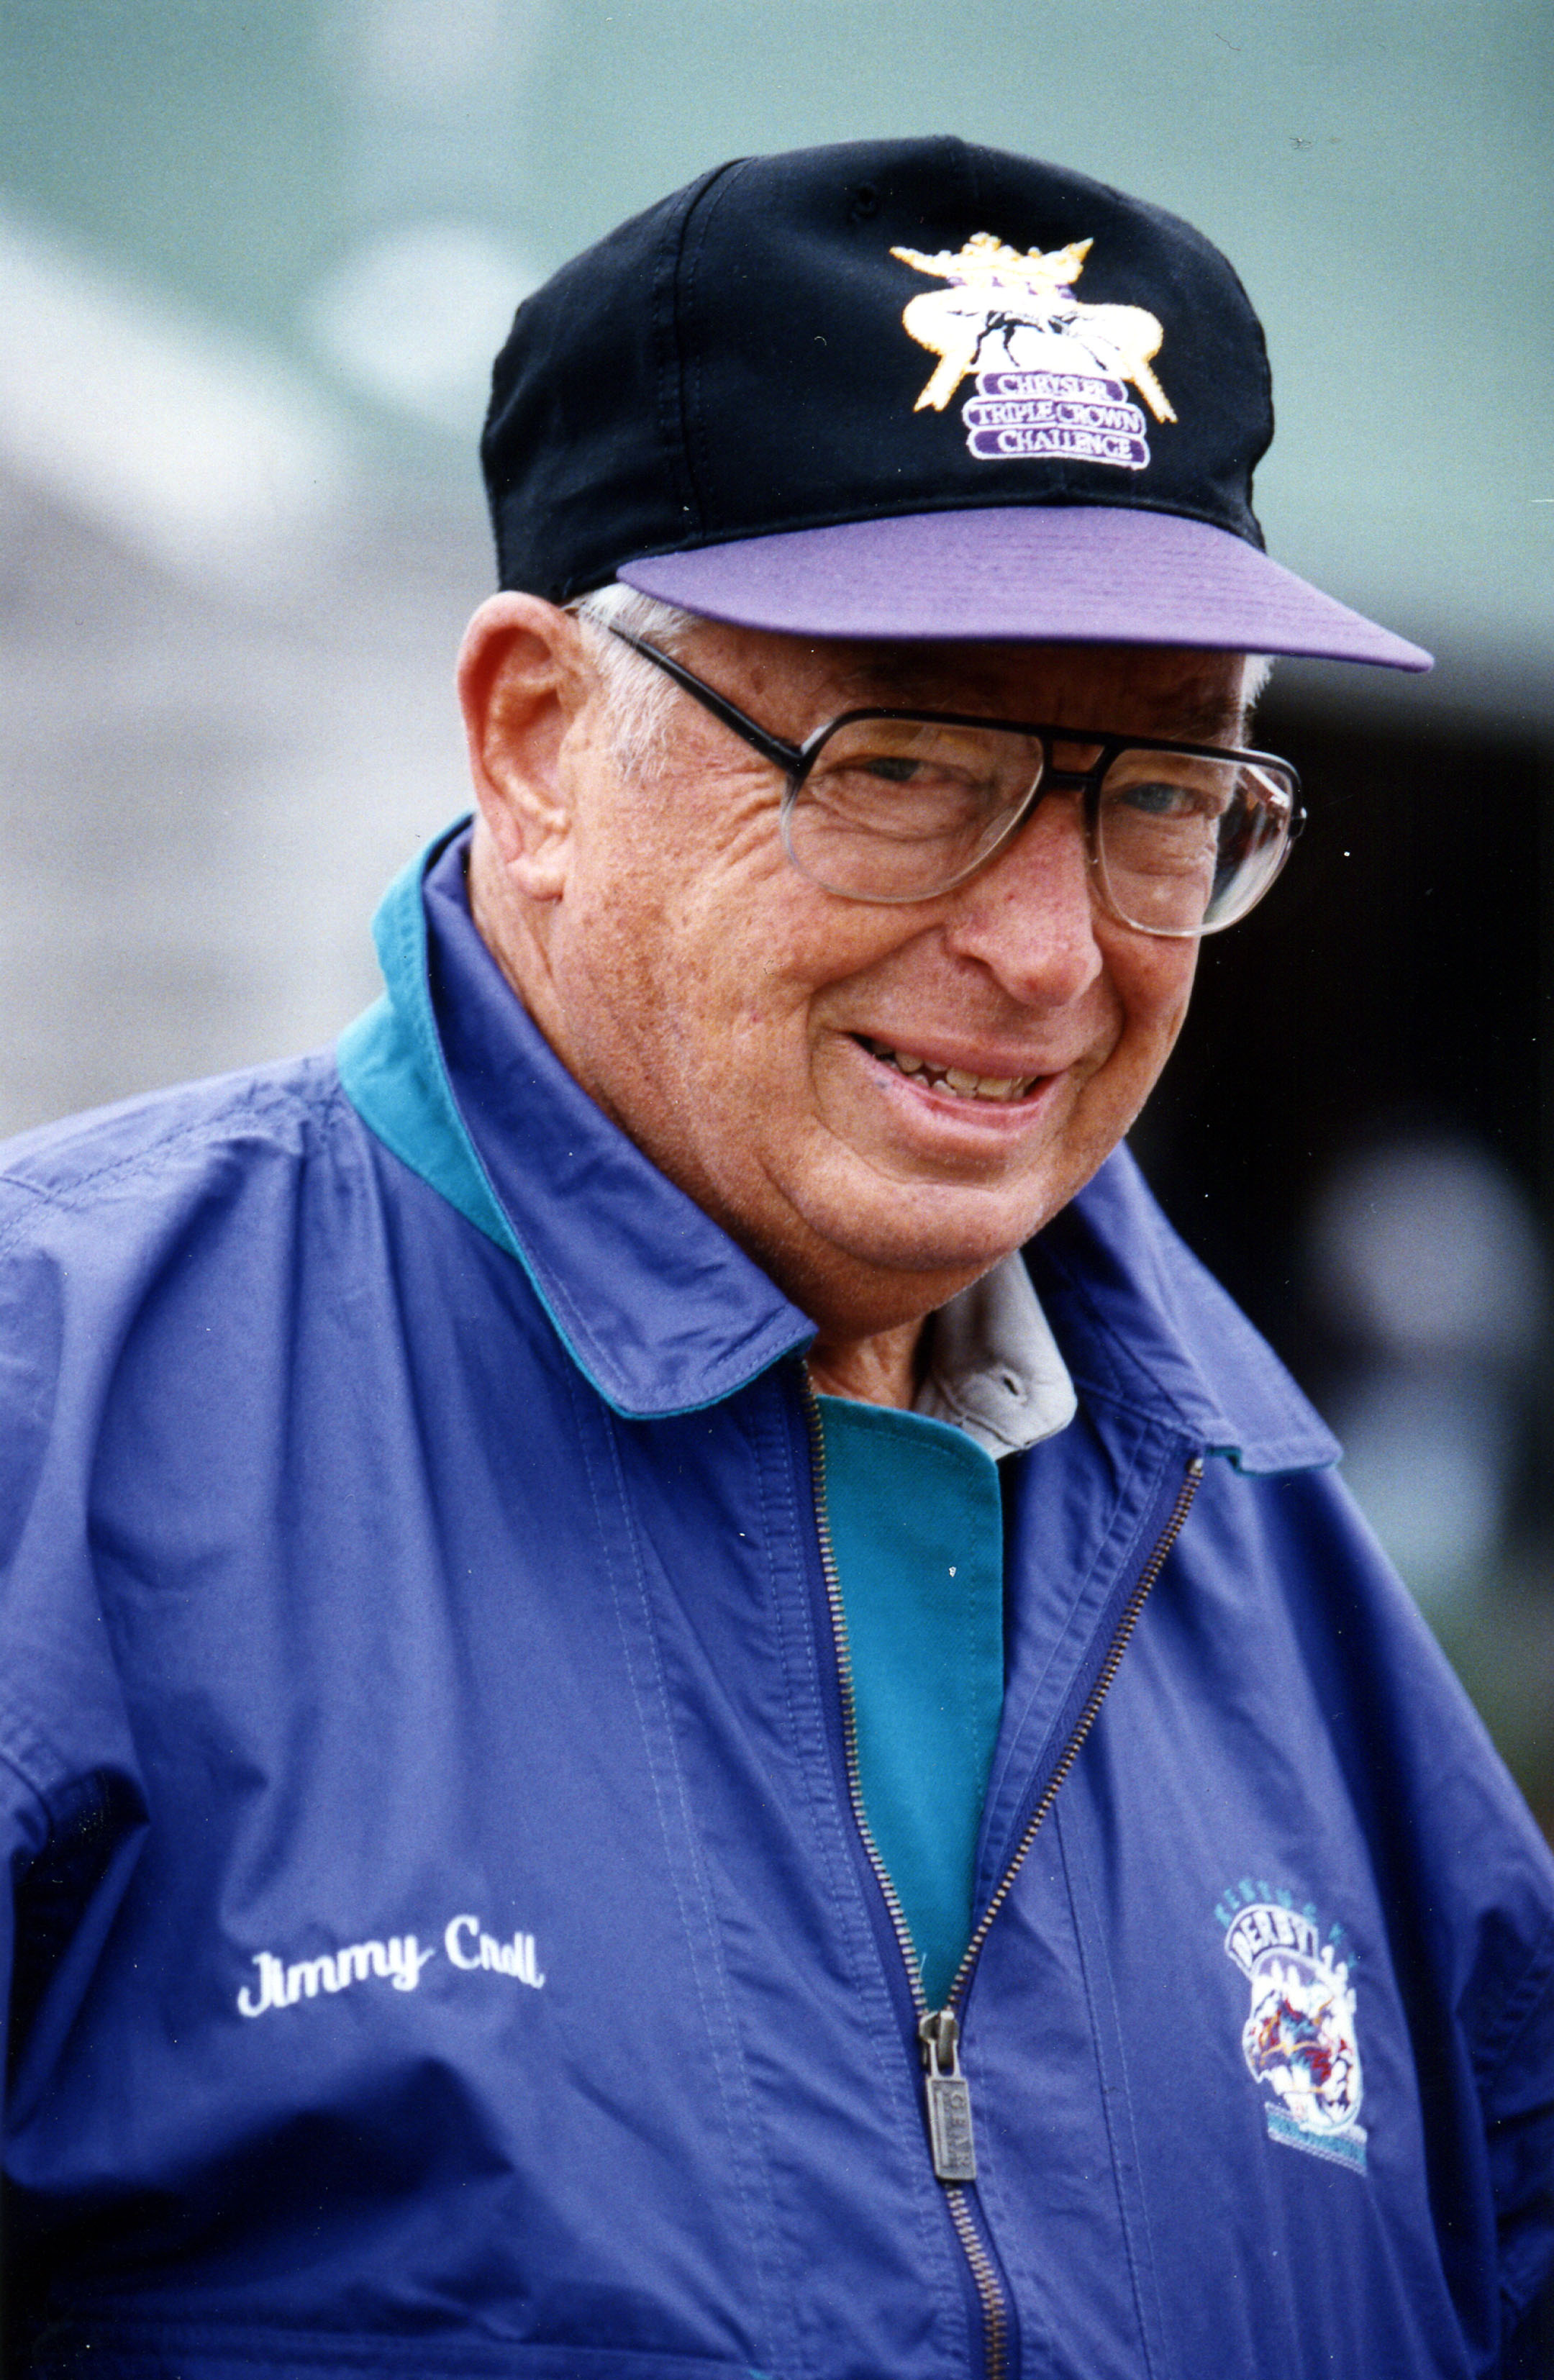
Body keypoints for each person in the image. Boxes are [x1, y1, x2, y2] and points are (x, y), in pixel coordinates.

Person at [1, 135, 1550, 2380]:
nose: (1047, 953)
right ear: (537, 740)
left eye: (1159, 793)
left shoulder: (1275, 1532)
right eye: (911, 764)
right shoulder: (59, 1416)